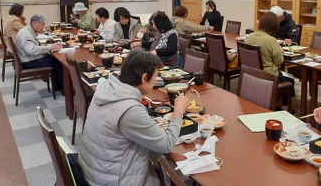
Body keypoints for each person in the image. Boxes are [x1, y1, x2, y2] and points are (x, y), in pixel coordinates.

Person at [78, 50, 190, 186]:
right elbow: (166, 145)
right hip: (112, 179)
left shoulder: (106, 89)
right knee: (181, 173)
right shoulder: (129, 110)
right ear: (144, 78)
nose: (155, 81)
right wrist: (178, 113)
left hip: (95, 170)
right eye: (155, 77)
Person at [246, 12, 295, 108]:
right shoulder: (271, 40)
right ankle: (285, 106)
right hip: (268, 75)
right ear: (274, 27)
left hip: (251, 73)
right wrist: (280, 51)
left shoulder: (250, 36)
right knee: (290, 79)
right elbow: (279, 61)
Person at [15, 13, 64, 90]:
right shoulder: (26, 34)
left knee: (54, 59)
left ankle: (58, 86)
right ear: (34, 23)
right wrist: (50, 47)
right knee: (58, 63)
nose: (43, 27)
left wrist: (49, 46)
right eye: (42, 24)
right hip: (29, 62)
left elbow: (34, 47)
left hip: (29, 58)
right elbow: (32, 50)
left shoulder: (27, 30)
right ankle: (65, 89)